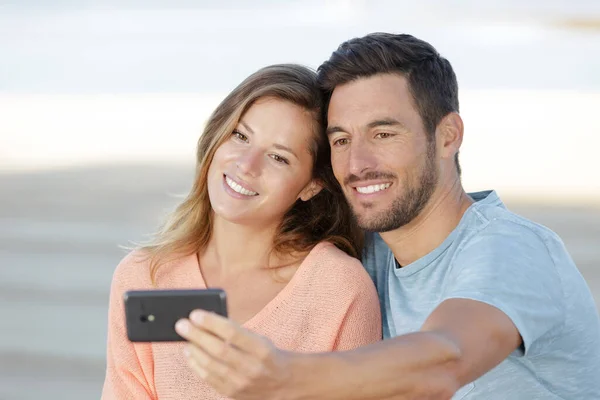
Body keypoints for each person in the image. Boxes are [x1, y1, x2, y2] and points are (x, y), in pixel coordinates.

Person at [175, 33, 600, 399]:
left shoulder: (511, 248)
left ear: (447, 135)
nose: (357, 163)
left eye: (383, 133)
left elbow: (444, 360)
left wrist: (287, 376)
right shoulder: (359, 253)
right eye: (341, 139)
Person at [100, 64, 382, 399]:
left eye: (278, 157)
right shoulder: (144, 275)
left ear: (312, 184)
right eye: (241, 136)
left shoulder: (339, 289)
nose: (246, 165)